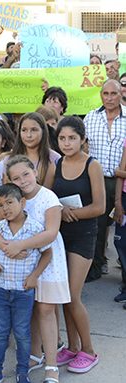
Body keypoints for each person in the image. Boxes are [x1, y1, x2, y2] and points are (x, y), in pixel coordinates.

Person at [0, 155, 71, 383]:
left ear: (35, 171)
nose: (22, 180)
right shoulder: (10, 198)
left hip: (46, 258)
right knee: (29, 309)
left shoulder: (48, 197)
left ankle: (52, 365)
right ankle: (35, 354)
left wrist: (20, 246)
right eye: (16, 177)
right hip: (17, 261)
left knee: (46, 309)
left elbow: (51, 233)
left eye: (26, 174)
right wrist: (5, 246)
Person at [0, 184, 52, 383]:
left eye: (10, 202)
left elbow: (47, 254)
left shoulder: (35, 228)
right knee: (0, 333)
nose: (6, 208)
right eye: (1, 205)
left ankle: (22, 372)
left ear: (22, 202)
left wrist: (34, 276)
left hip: (23, 291)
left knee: (22, 334)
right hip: (1, 288)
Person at [51, 116, 104, 373]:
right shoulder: (57, 163)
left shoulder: (92, 165)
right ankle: (72, 347)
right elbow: (51, 199)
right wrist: (59, 211)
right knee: (63, 297)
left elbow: (100, 207)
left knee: (73, 295)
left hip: (84, 235)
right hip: (60, 236)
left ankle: (89, 350)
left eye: (72, 138)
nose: (67, 142)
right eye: (62, 138)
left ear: (83, 139)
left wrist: (69, 213)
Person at [83, 79, 126, 282]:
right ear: (101, 95)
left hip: (122, 182)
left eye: (113, 94)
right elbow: (83, 147)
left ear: (121, 94)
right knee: (98, 226)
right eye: (105, 94)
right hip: (96, 180)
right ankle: (97, 265)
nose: (109, 98)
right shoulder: (91, 117)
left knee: (122, 226)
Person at [11, 112, 58, 188]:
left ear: (43, 131)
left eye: (34, 130)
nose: (28, 135)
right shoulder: (9, 158)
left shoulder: (54, 158)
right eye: (24, 130)